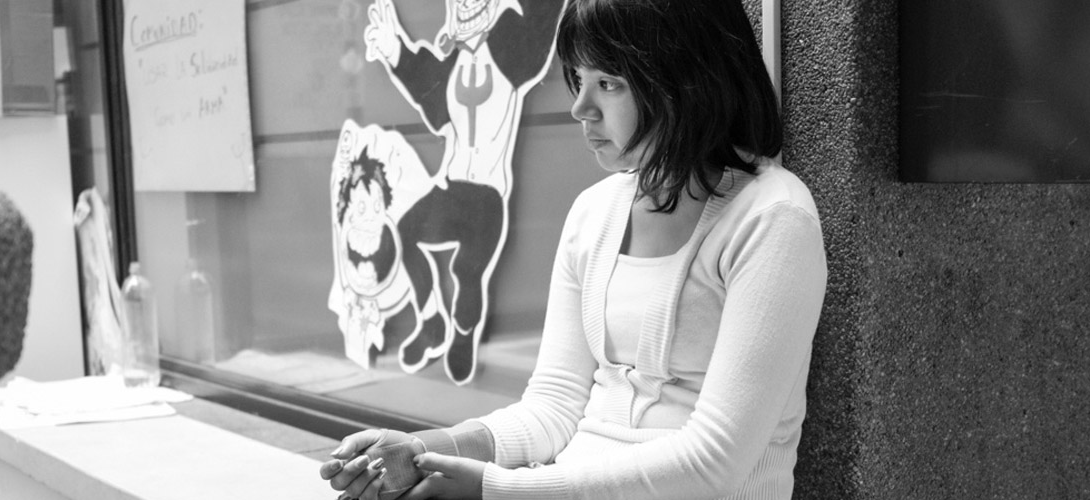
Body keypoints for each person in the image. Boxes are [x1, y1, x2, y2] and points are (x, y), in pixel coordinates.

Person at [320, 0, 827, 498]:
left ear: (684, 81)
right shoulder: (594, 211)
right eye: (579, 79)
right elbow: (553, 405)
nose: (580, 108)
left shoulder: (773, 217)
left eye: (609, 83)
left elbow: (715, 461)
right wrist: (422, 451)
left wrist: (497, 490)